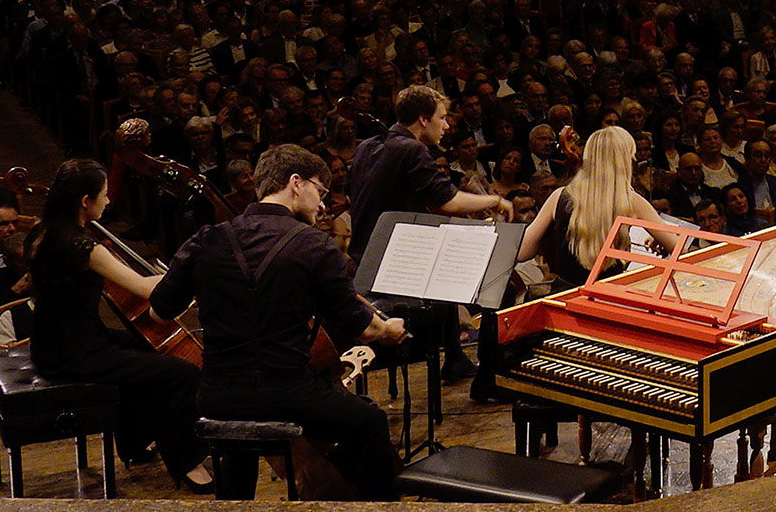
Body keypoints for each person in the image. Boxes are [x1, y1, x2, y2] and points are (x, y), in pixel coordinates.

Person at [151, 145, 408, 501]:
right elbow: (363, 327)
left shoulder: (206, 239)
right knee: (370, 423)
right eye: (320, 190)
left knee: (239, 445)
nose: (322, 205)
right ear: (296, 183)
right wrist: (390, 329)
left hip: (218, 396)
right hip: (287, 393)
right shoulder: (316, 245)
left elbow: (159, 311)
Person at [28, 160, 212, 491]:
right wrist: (186, 275)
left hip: (49, 342)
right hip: (76, 352)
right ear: (85, 201)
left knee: (145, 350)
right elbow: (143, 289)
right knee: (182, 372)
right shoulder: (84, 247)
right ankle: (187, 461)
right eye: (104, 194)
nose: (109, 201)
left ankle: (133, 442)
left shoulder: (41, 233)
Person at [347, 85, 513, 384]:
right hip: (394, 262)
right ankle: (485, 370)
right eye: (442, 118)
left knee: (446, 255)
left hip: (366, 257)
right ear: (423, 120)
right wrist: (495, 200)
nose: (447, 126)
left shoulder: (365, 147)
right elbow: (447, 200)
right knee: (493, 275)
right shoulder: (410, 149)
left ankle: (455, 356)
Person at [515, 126, 682, 289]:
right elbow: (681, 250)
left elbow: (522, 251)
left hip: (565, 296)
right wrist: (659, 237)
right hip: (608, 297)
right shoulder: (631, 200)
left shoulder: (558, 195)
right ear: (624, 161)